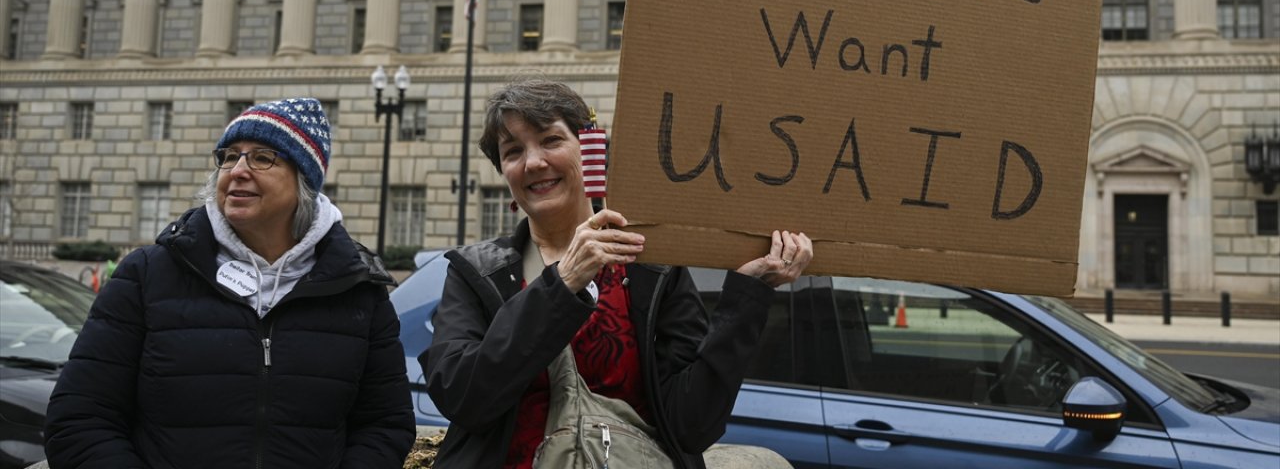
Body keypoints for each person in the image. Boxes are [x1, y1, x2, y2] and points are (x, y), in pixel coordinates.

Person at [423, 78, 814, 468]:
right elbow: (464, 399)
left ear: (589, 151)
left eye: (550, 140)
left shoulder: (653, 267)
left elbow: (692, 426)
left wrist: (748, 296)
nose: (534, 162)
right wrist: (561, 285)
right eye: (512, 152)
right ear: (505, 175)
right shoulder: (477, 273)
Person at [44, 97, 415, 468]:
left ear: (304, 179)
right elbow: (80, 420)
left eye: (262, 157)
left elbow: (384, 426)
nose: (237, 170)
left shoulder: (359, 290)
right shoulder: (146, 275)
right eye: (229, 156)